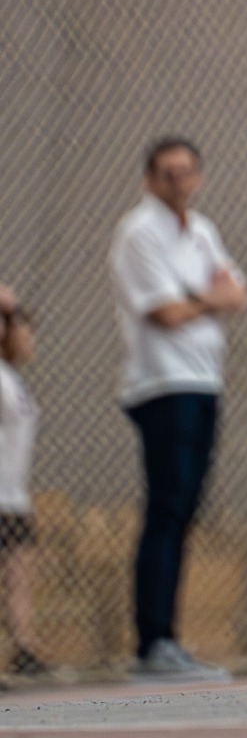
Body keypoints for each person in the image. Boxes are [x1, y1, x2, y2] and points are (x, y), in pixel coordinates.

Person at [108, 137, 247, 680]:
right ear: (149, 179)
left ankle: (166, 637)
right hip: (163, 384)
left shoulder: (202, 231)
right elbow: (164, 313)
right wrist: (206, 299)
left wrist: (201, 300)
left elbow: (237, 293)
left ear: (199, 176)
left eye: (187, 172)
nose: (178, 182)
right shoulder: (139, 233)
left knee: (184, 511)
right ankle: (154, 641)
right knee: (167, 509)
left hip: (204, 379)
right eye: (167, 173)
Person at [0, 285, 47, 679]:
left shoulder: (13, 380)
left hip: (13, 496)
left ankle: (24, 646)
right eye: (21, 331)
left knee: (19, 573)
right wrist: (9, 309)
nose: (28, 341)